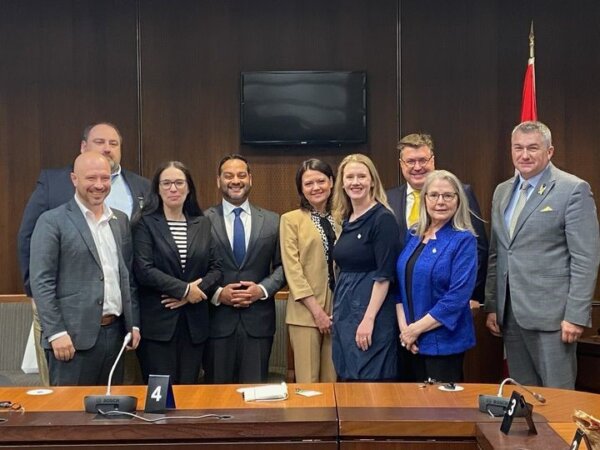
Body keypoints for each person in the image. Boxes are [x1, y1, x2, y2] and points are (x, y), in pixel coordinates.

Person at [17, 122, 150, 386]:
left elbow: (126, 277)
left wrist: (133, 324)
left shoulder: (119, 221)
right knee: (70, 411)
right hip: (71, 339)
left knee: (112, 408)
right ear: (74, 180)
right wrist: (56, 332)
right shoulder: (52, 221)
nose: (99, 185)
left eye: (104, 178)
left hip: (116, 336)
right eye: (91, 178)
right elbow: (42, 282)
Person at [485, 121, 600, 389]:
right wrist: (493, 305)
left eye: (533, 148)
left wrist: (575, 315)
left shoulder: (572, 189)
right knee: (524, 395)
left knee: (558, 397)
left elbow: (585, 258)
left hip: (554, 319)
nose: (524, 155)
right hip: (511, 315)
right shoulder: (502, 191)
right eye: (518, 148)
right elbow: (498, 253)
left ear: (549, 152)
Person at [132, 161, 222, 384]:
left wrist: (193, 293)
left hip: (194, 326)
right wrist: (184, 290)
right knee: (160, 395)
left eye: (179, 183)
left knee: (189, 392)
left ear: (189, 188)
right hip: (158, 327)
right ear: (158, 188)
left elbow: (217, 268)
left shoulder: (202, 223)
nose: (173, 188)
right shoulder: (144, 223)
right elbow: (143, 269)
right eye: (166, 183)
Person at [204, 154, 286, 384]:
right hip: (216, 323)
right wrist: (218, 293)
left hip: (258, 323)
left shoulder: (273, 220)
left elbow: (283, 266)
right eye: (228, 176)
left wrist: (262, 289)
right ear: (218, 181)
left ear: (250, 179)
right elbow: (196, 269)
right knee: (217, 396)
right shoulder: (202, 221)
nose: (235, 181)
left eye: (241, 175)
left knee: (255, 395)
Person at [386, 133, 487, 304]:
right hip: (402, 301)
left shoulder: (461, 193)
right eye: (410, 161)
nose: (417, 167)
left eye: (422, 160)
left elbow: (479, 249)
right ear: (401, 164)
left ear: (432, 160)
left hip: (449, 301)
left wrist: (470, 295)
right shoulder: (388, 199)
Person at [396, 170, 477, 382]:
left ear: (458, 200)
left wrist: (415, 330)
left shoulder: (463, 240)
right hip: (408, 343)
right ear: (424, 199)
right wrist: (406, 330)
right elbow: (399, 286)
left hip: (443, 345)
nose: (440, 202)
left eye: (448, 195)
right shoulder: (413, 234)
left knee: (440, 403)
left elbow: (456, 298)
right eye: (433, 195)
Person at [331, 153, 401, 381]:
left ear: (372, 181)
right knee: (348, 375)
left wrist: (368, 319)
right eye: (349, 177)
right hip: (345, 310)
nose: (355, 182)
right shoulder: (347, 218)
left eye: (362, 176)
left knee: (370, 378)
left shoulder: (382, 218)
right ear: (342, 183)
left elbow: (384, 275)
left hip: (371, 312)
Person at [280, 159, 339, 383]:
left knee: (333, 382)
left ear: (331, 182)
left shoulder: (343, 218)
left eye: (321, 181)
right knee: (308, 385)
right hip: (305, 313)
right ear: (301, 189)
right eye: (308, 183)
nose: (316, 187)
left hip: (338, 312)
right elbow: (292, 270)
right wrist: (317, 312)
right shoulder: (290, 220)